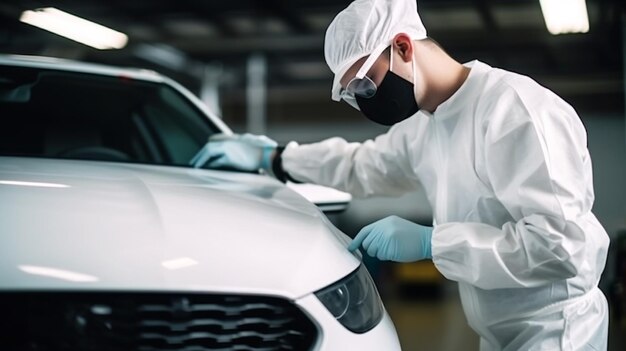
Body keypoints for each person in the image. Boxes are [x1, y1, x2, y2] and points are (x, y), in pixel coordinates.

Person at [191, 0, 610, 349]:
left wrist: (432, 242)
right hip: (498, 333)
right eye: (353, 95)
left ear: (404, 47)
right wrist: (275, 158)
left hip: (557, 331)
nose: (365, 102)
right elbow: (361, 166)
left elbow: (562, 247)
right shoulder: (425, 125)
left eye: (364, 85)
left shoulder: (514, 110)